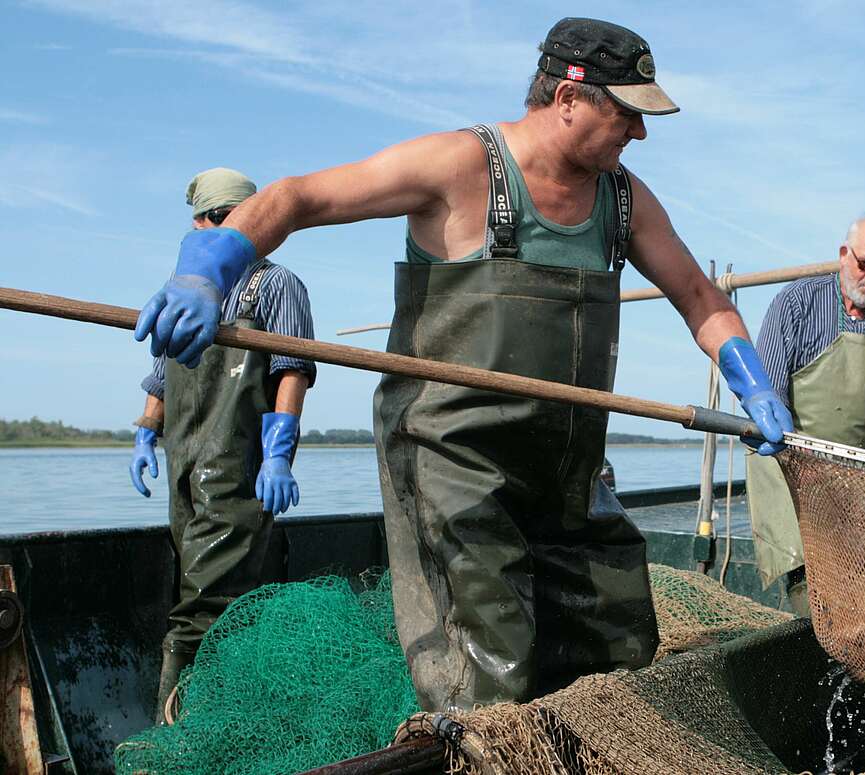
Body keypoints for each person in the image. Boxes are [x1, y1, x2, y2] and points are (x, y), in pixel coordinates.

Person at [132, 19, 794, 712]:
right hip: (453, 461)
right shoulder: (460, 165)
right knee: (492, 665)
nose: (639, 133)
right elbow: (299, 197)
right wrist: (209, 268)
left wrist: (750, 378)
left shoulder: (624, 199)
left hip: (567, 467)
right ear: (570, 96)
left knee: (618, 638)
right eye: (626, 114)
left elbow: (697, 295)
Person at [128, 167, 317, 720]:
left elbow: (292, 370)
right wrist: (144, 432)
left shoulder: (277, 285)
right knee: (194, 582)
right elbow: (163, 374)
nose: (212, 230)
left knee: (205, 603)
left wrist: (279, 455)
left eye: (224, 221)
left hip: (236, 469)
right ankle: (219, 708)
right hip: (184, 463)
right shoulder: (184, 291)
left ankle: (182, 728)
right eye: (208, 222)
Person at [748, 216, 865, 617]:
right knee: (814, 596)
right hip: (791, 468)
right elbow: (769, 395)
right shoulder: (797, 303)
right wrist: (802, 462)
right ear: (842, 256)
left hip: (861, 481)